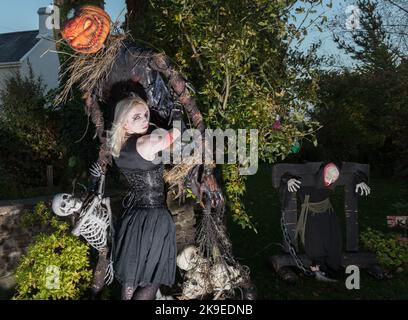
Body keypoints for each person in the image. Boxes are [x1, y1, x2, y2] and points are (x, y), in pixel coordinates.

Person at [108, 96, 181, 300]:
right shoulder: (146, 142)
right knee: (152, 280)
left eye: (146, 115)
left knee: (130, 281)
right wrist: (177, 109)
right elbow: (175, 132)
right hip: (155, 218)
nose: (144, 119)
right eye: (137, 116)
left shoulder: (118, 148)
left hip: (133, 218)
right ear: (124, 122)